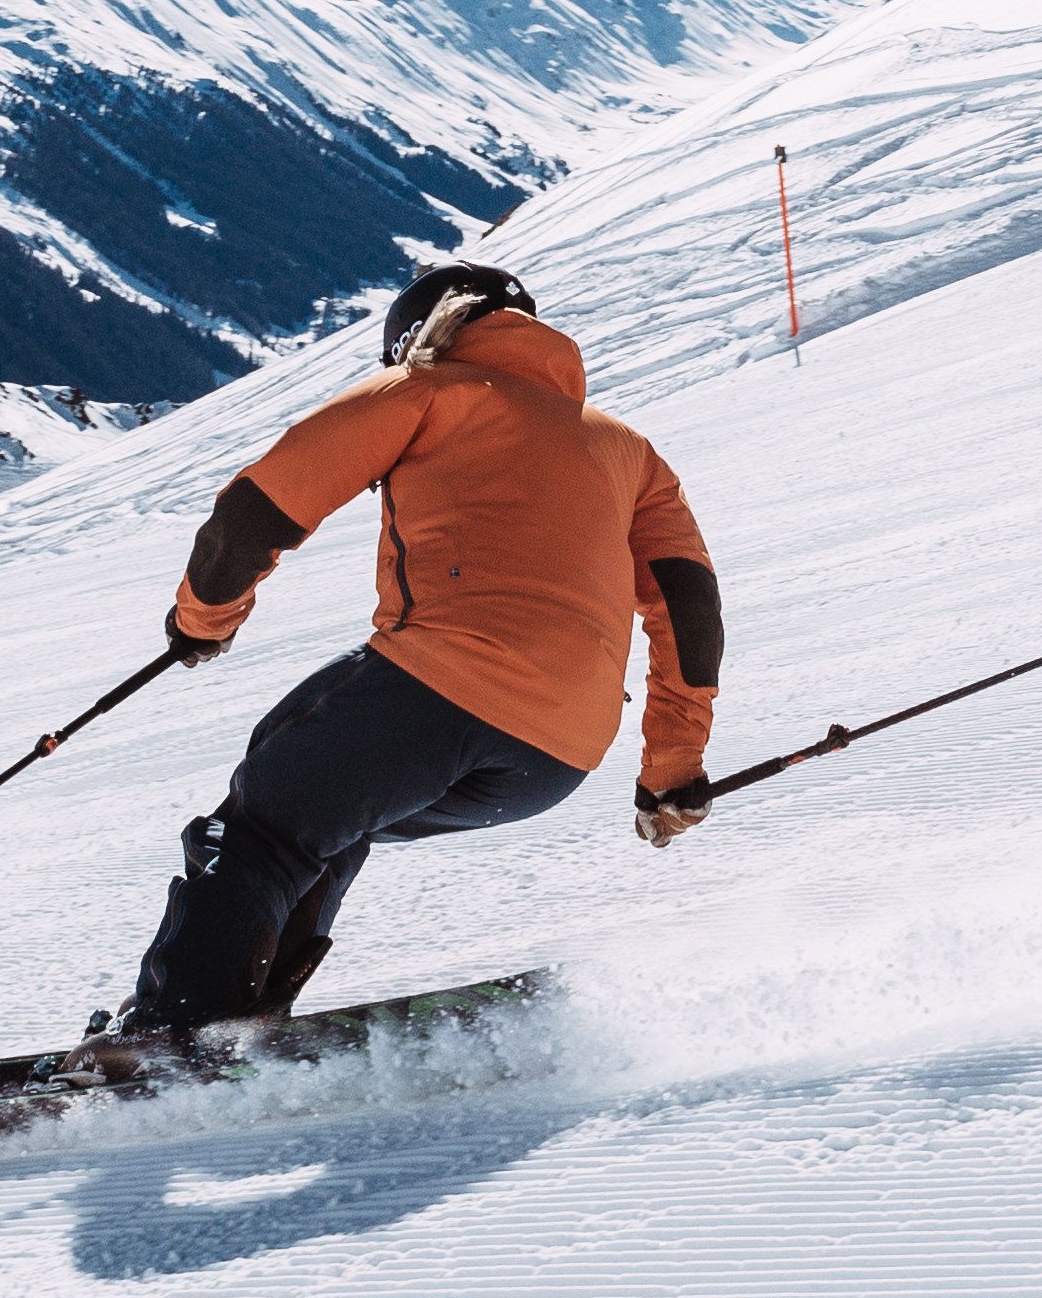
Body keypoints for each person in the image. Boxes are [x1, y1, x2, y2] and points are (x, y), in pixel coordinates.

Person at [96, 260, 722, 1045]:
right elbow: (688, 603)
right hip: (555, 755)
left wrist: (204, 618)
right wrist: (671, 766)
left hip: (442, 692)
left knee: (261, 834)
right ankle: (241, 1012)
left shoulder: (425, 391)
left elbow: (261, 507)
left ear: (418, 340)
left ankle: (174, 1035)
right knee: (311, 789)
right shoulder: (629, 449)